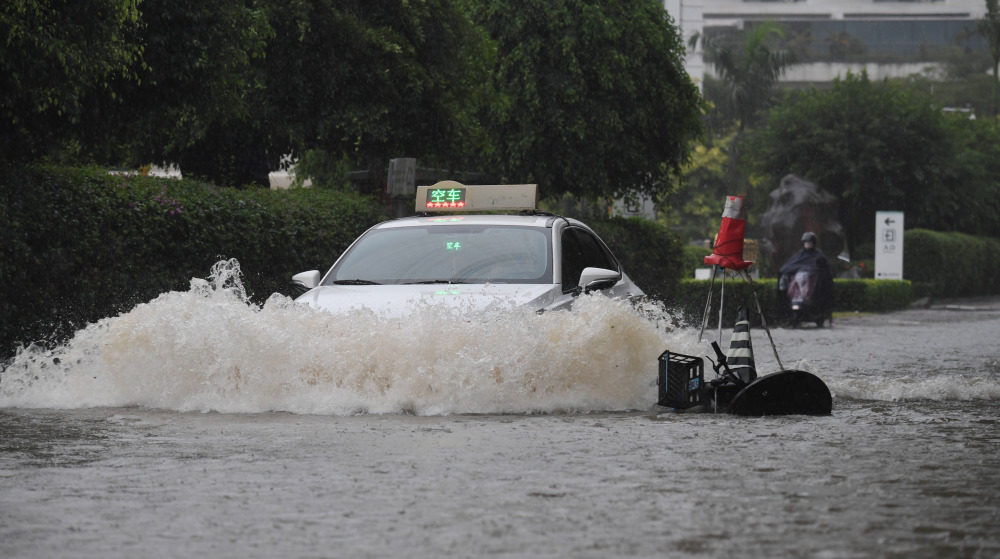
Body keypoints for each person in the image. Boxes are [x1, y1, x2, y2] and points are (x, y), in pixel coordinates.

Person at [776, 232, 834, 327]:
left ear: (813, 243)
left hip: (812, 285)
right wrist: (784, 272)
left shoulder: (818, 255)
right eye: (806, 242)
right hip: (796, 287)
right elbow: (790, 265)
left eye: (810, 242)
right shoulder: (800, 254)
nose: (808, 244)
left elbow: (824, 269)